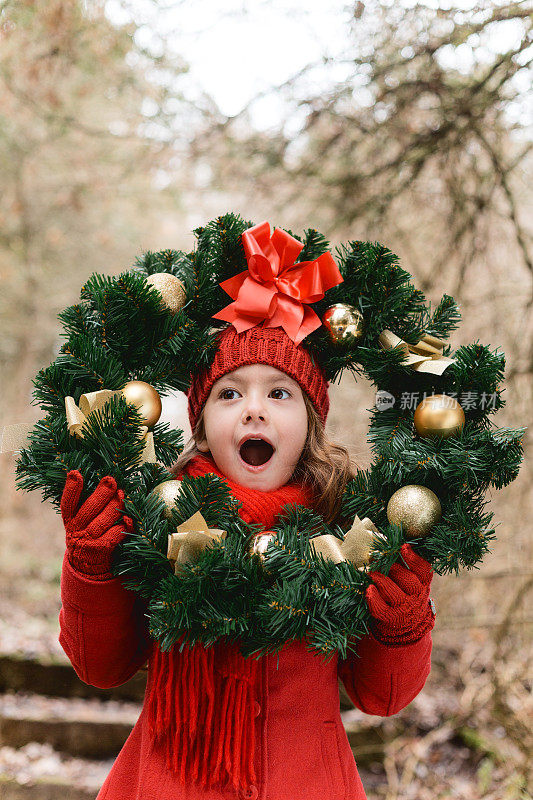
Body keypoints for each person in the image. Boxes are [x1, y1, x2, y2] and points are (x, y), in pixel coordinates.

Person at [59, 290, 436, 799]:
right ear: (202, 427)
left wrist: (402, 627)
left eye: (279, 394)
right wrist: (92, 566)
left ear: (310, 425)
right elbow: (98, 666)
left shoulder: (348, 535)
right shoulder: (159, 522)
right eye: (229, 393)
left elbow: (382, 696)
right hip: (168, 785)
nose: (253, 410)